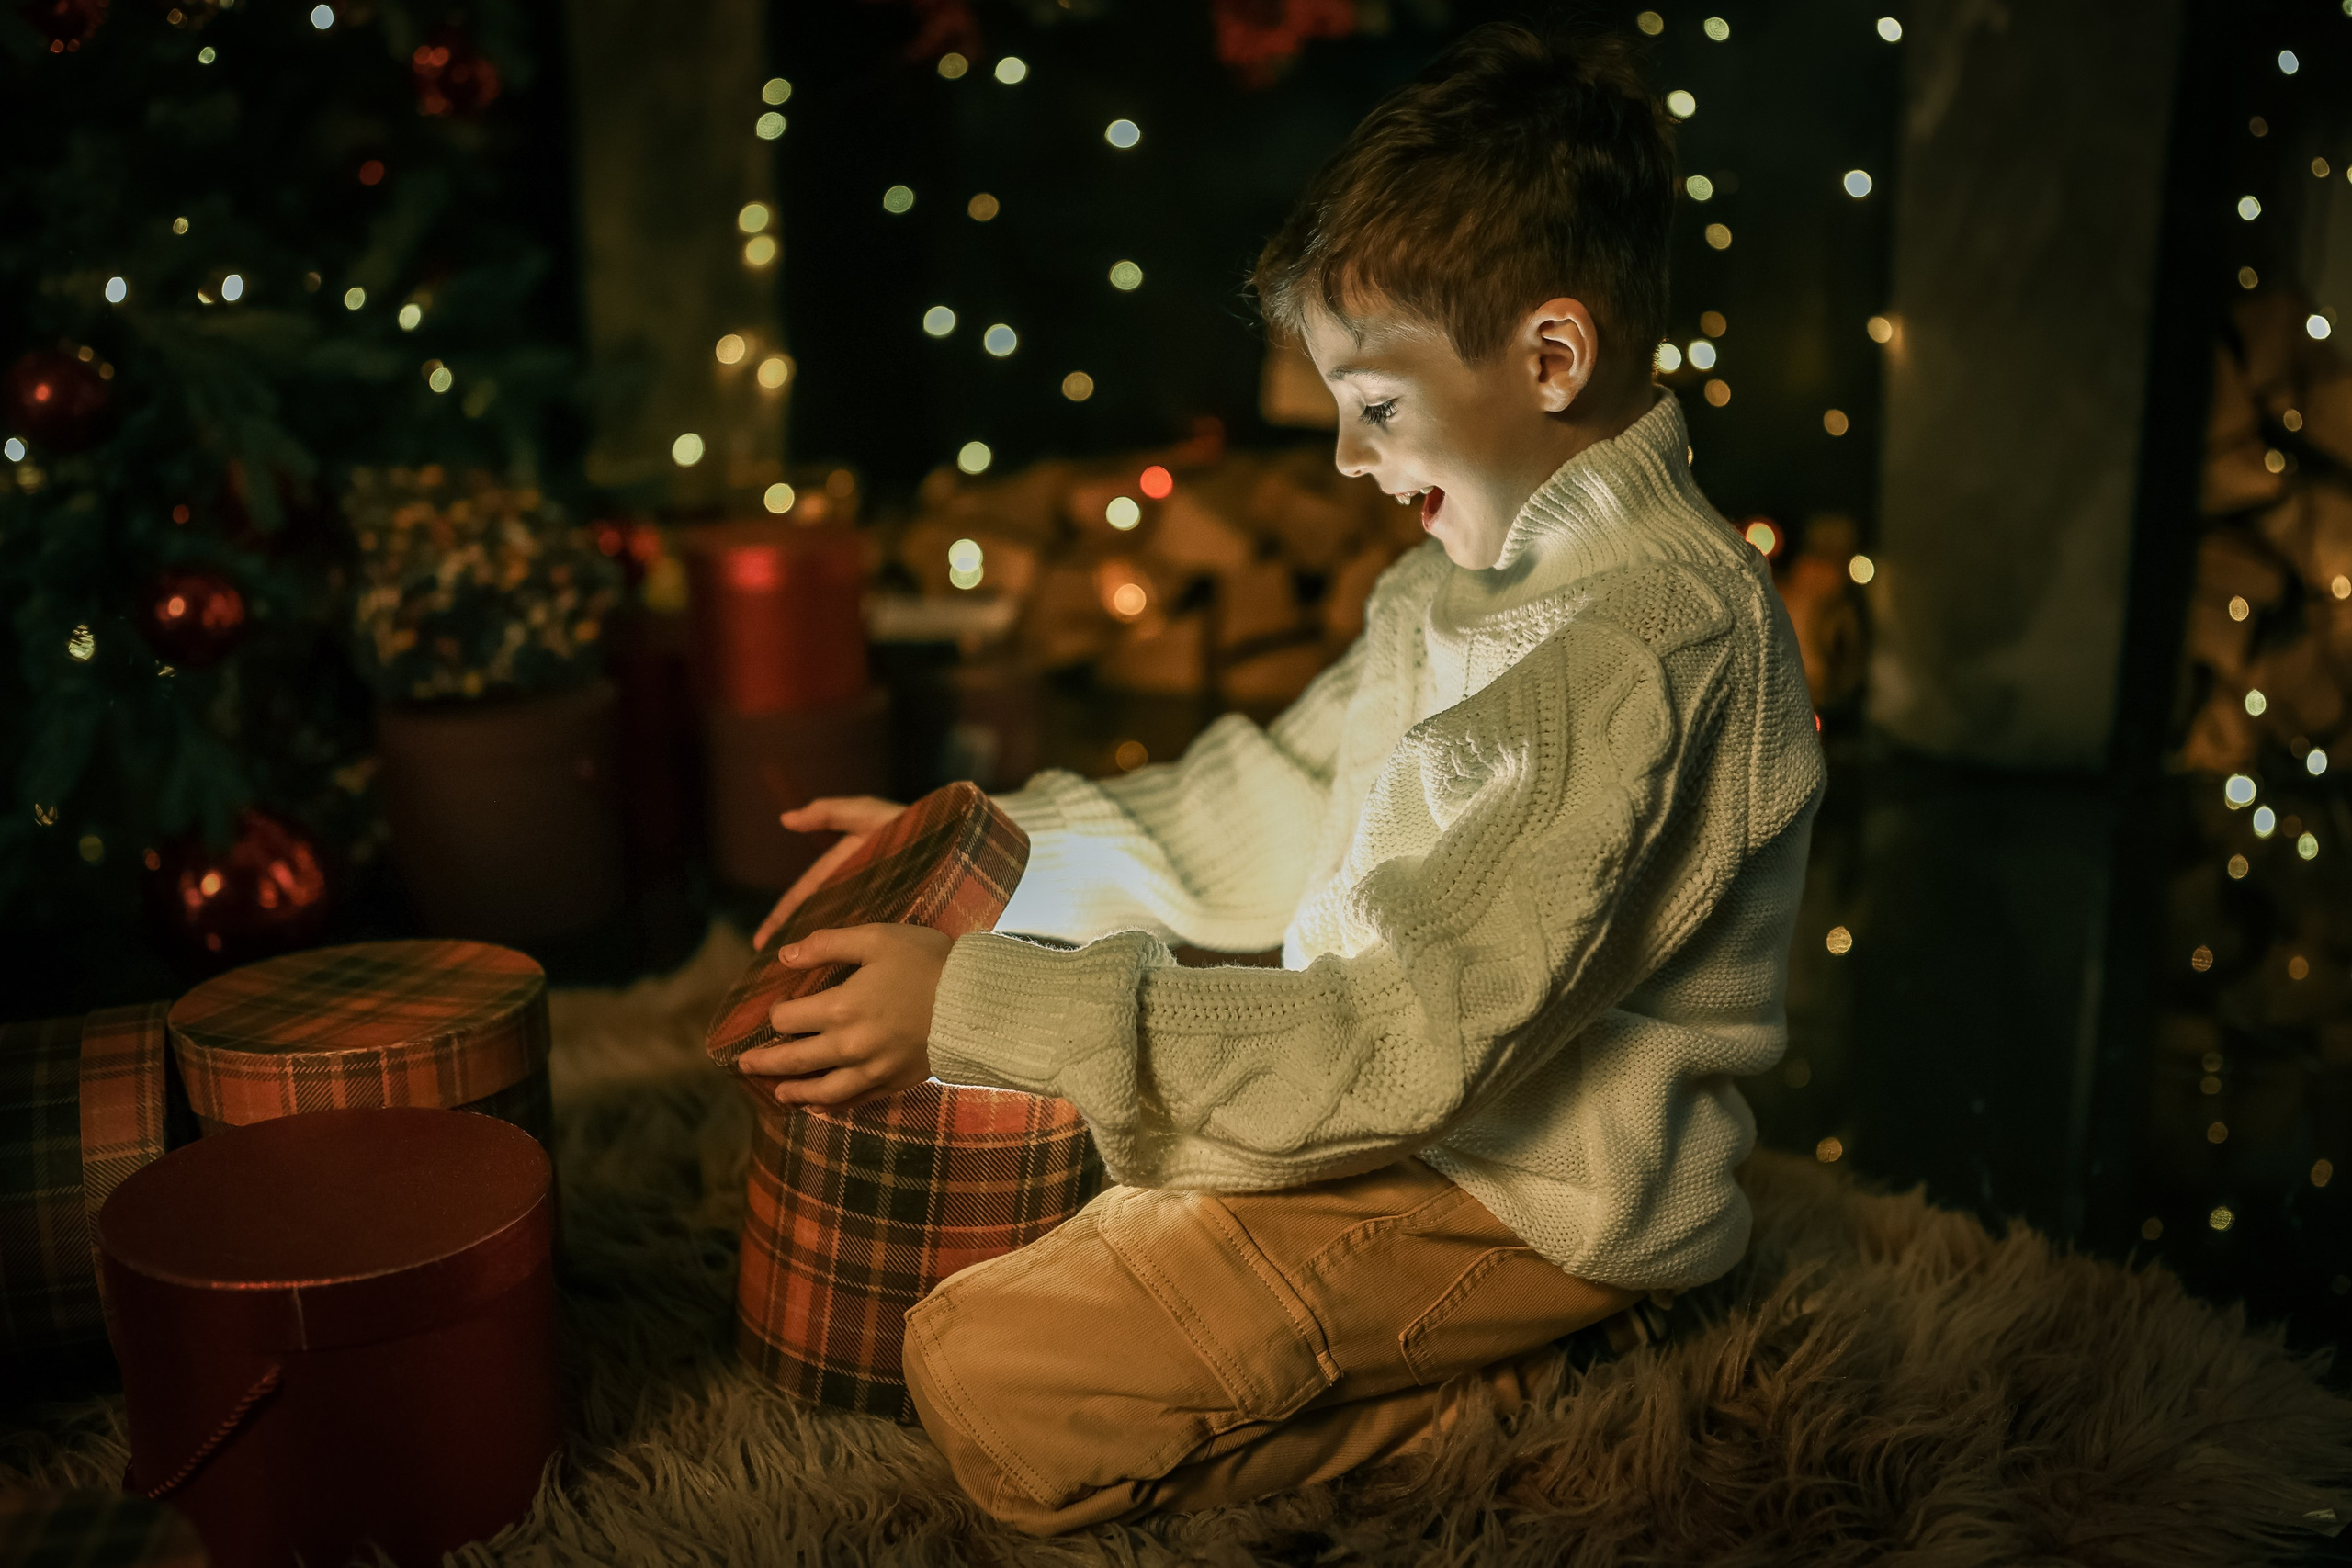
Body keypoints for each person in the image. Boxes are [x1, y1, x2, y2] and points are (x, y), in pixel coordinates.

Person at [740, 18, 1824, 1535]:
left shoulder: (1644, 649)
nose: (1341, 459)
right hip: (1393, 1112)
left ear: (1554, 357)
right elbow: (1263, 802)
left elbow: (1401, 1045)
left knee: (987, 1371)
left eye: (1374, 408)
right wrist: (988, 859)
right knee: (1050, 1179)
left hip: (1525, 1190)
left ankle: (1525, 1378)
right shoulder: (1455, 592)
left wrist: (976, 1004)